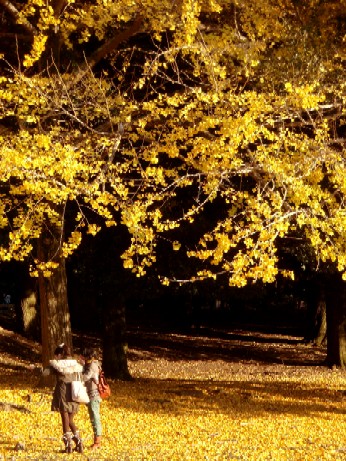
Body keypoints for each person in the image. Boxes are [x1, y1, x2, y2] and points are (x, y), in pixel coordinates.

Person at [43, 343, 84, 453]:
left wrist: (52, 364)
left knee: (65, 418)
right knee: (70, 419)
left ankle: (68, 445)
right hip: (75, 392)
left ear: (61, 354)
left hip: (63, 392)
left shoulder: (59, 365)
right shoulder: (77, 364)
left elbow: (45, 373)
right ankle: (79, 443)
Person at [82, 347, 102, 449]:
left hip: (94, 395)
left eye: (84, 356)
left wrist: (81, 366)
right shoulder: (90, 365)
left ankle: (97, 441)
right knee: (93, 417)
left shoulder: (93, 366)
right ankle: (97, 440)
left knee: (95, 417)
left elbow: (85, 377)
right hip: (90, 395)